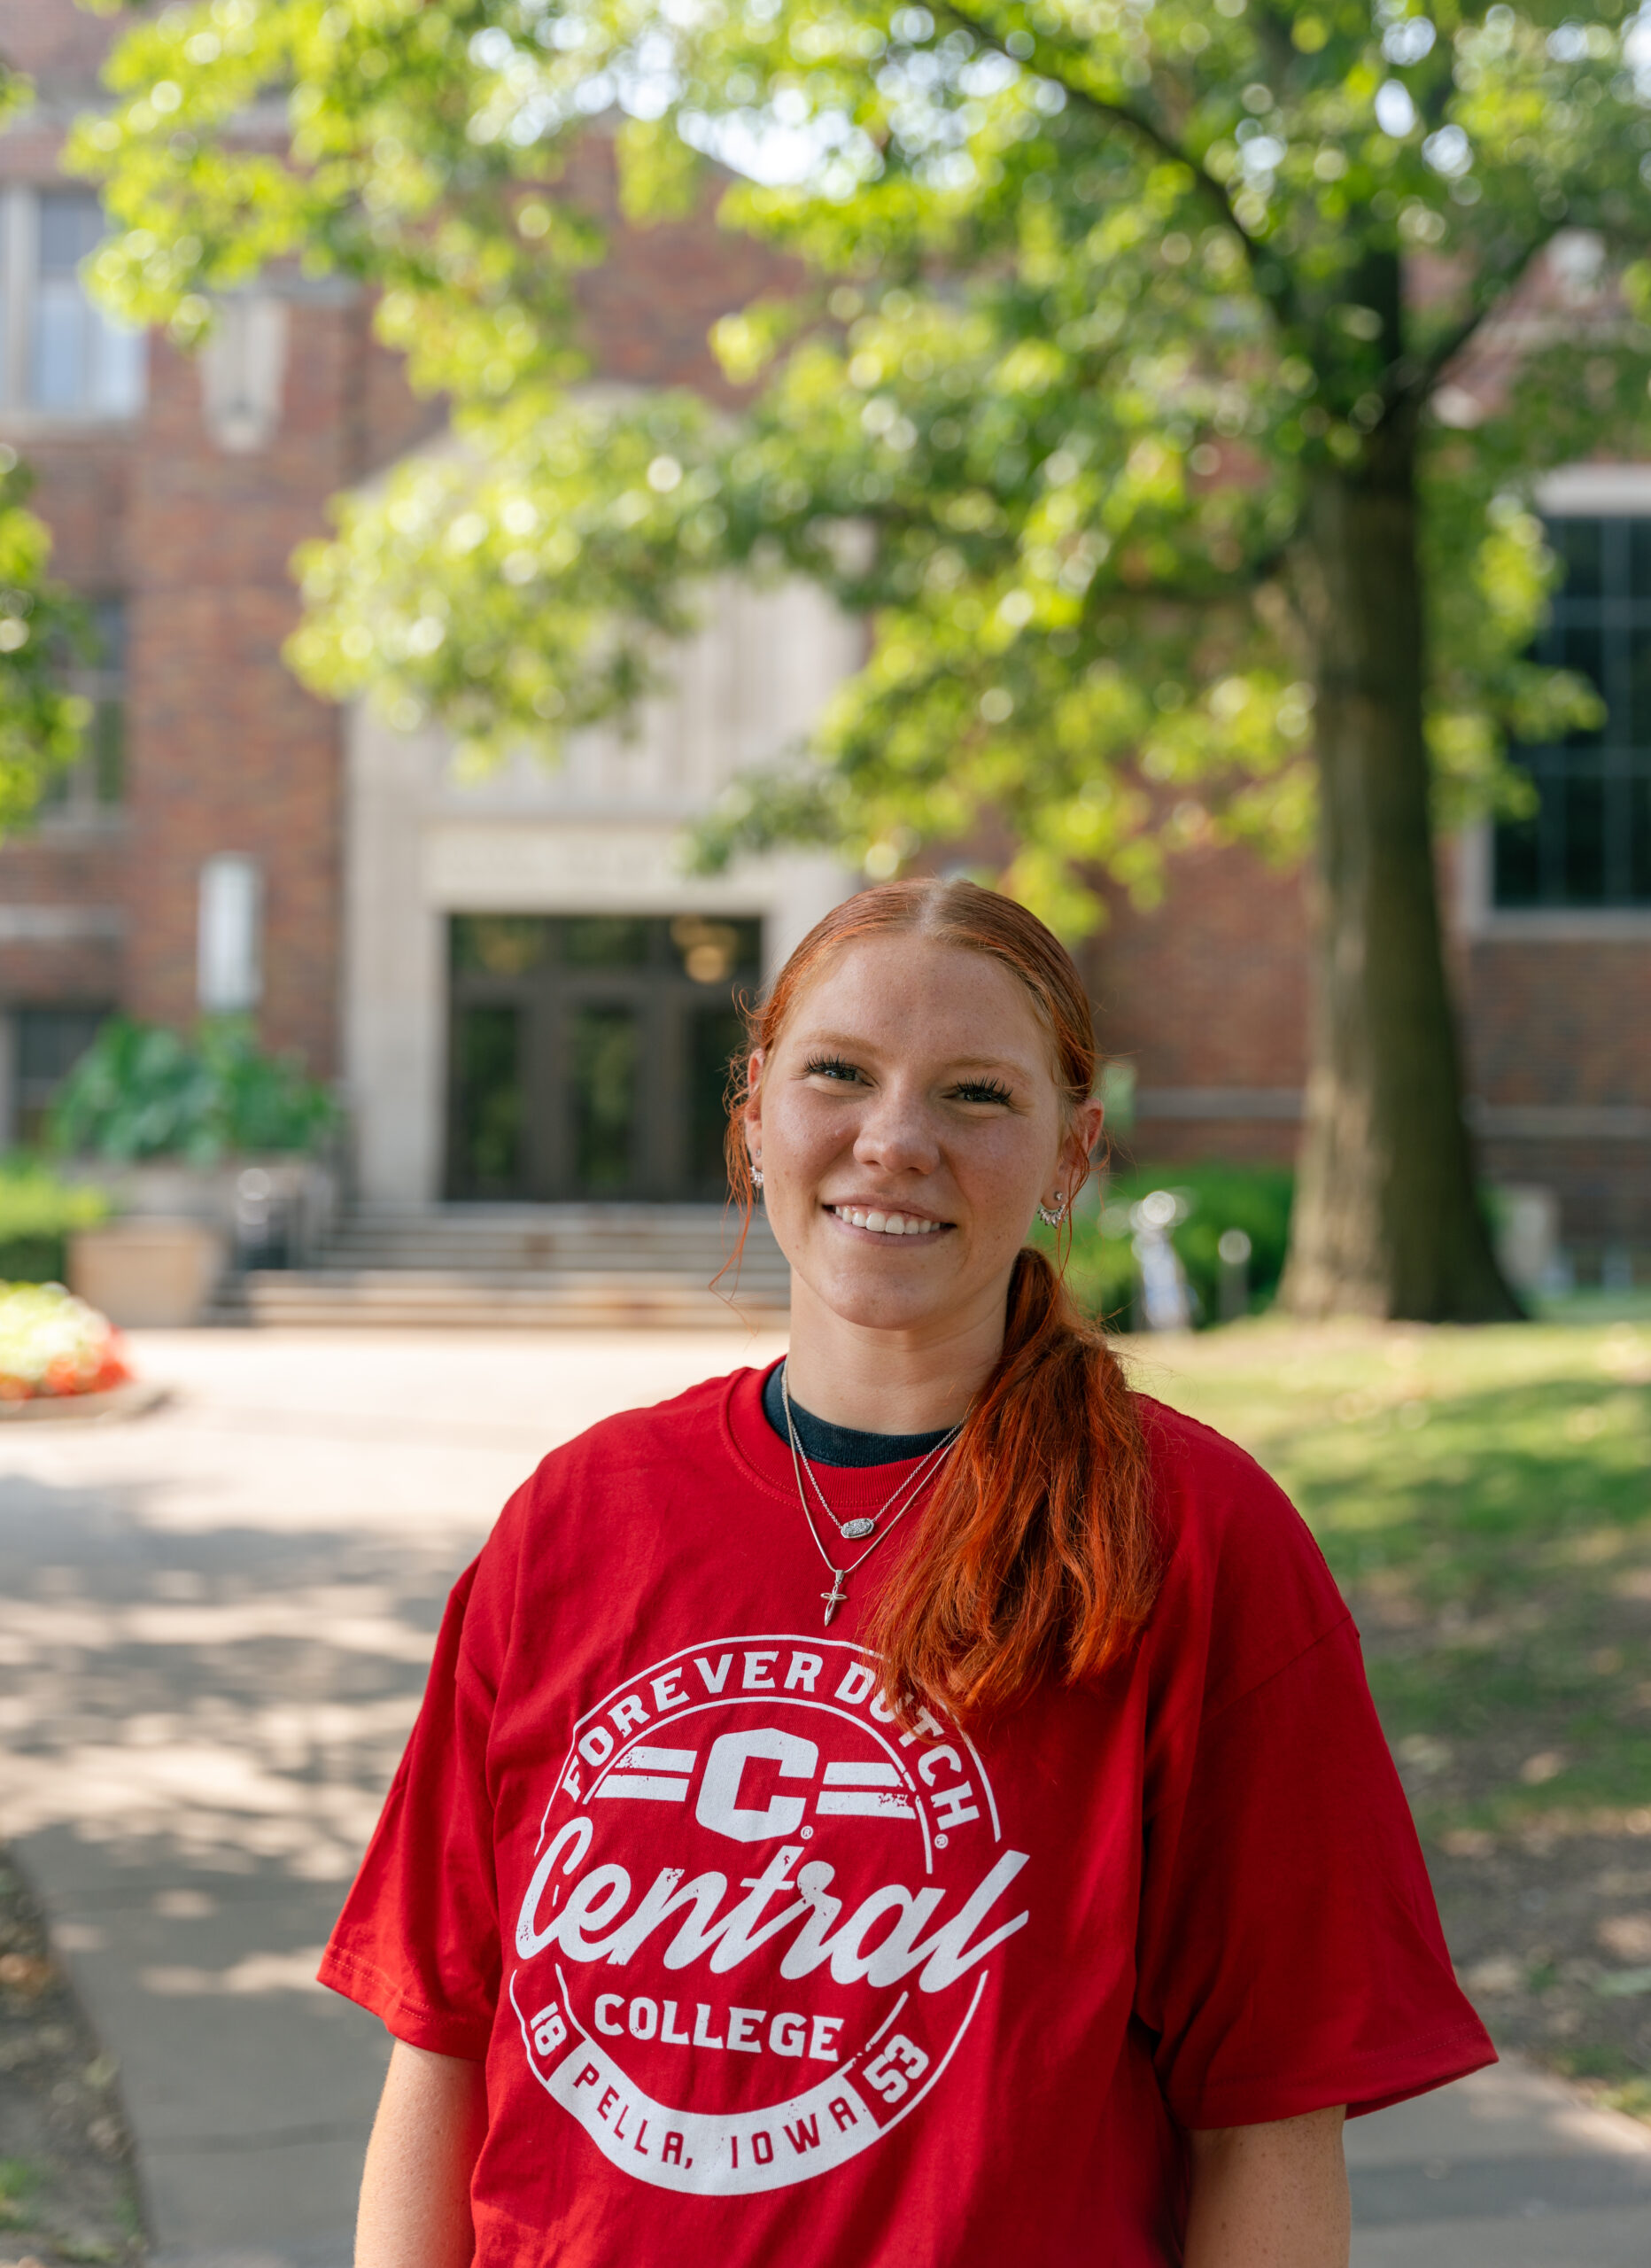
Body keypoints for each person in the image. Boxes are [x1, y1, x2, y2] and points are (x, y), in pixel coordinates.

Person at [322, 878, 1493, 2268]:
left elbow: (1272, 2119)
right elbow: (448, 2041)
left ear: (1073, 1152)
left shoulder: (1193, 1538)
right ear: (754, 1112)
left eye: (976, 1096)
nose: (895, 1143)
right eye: (840, 1075)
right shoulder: (580, 1518)